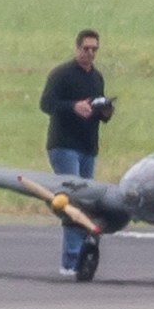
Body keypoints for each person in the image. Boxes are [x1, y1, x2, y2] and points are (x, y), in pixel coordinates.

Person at [39, 29, 114, 277]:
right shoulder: (61, 74)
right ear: (77, 48)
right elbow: (46, 104)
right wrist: (73, 107)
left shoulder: (97, 78)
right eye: (86, 49)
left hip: (88, 147)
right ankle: (70, 261)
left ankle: (80, 257)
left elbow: (99, 113)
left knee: (88, 202)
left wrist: (104, 111)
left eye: (94, 50)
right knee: (73, 201)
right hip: (64, 145)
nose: (90, 54)